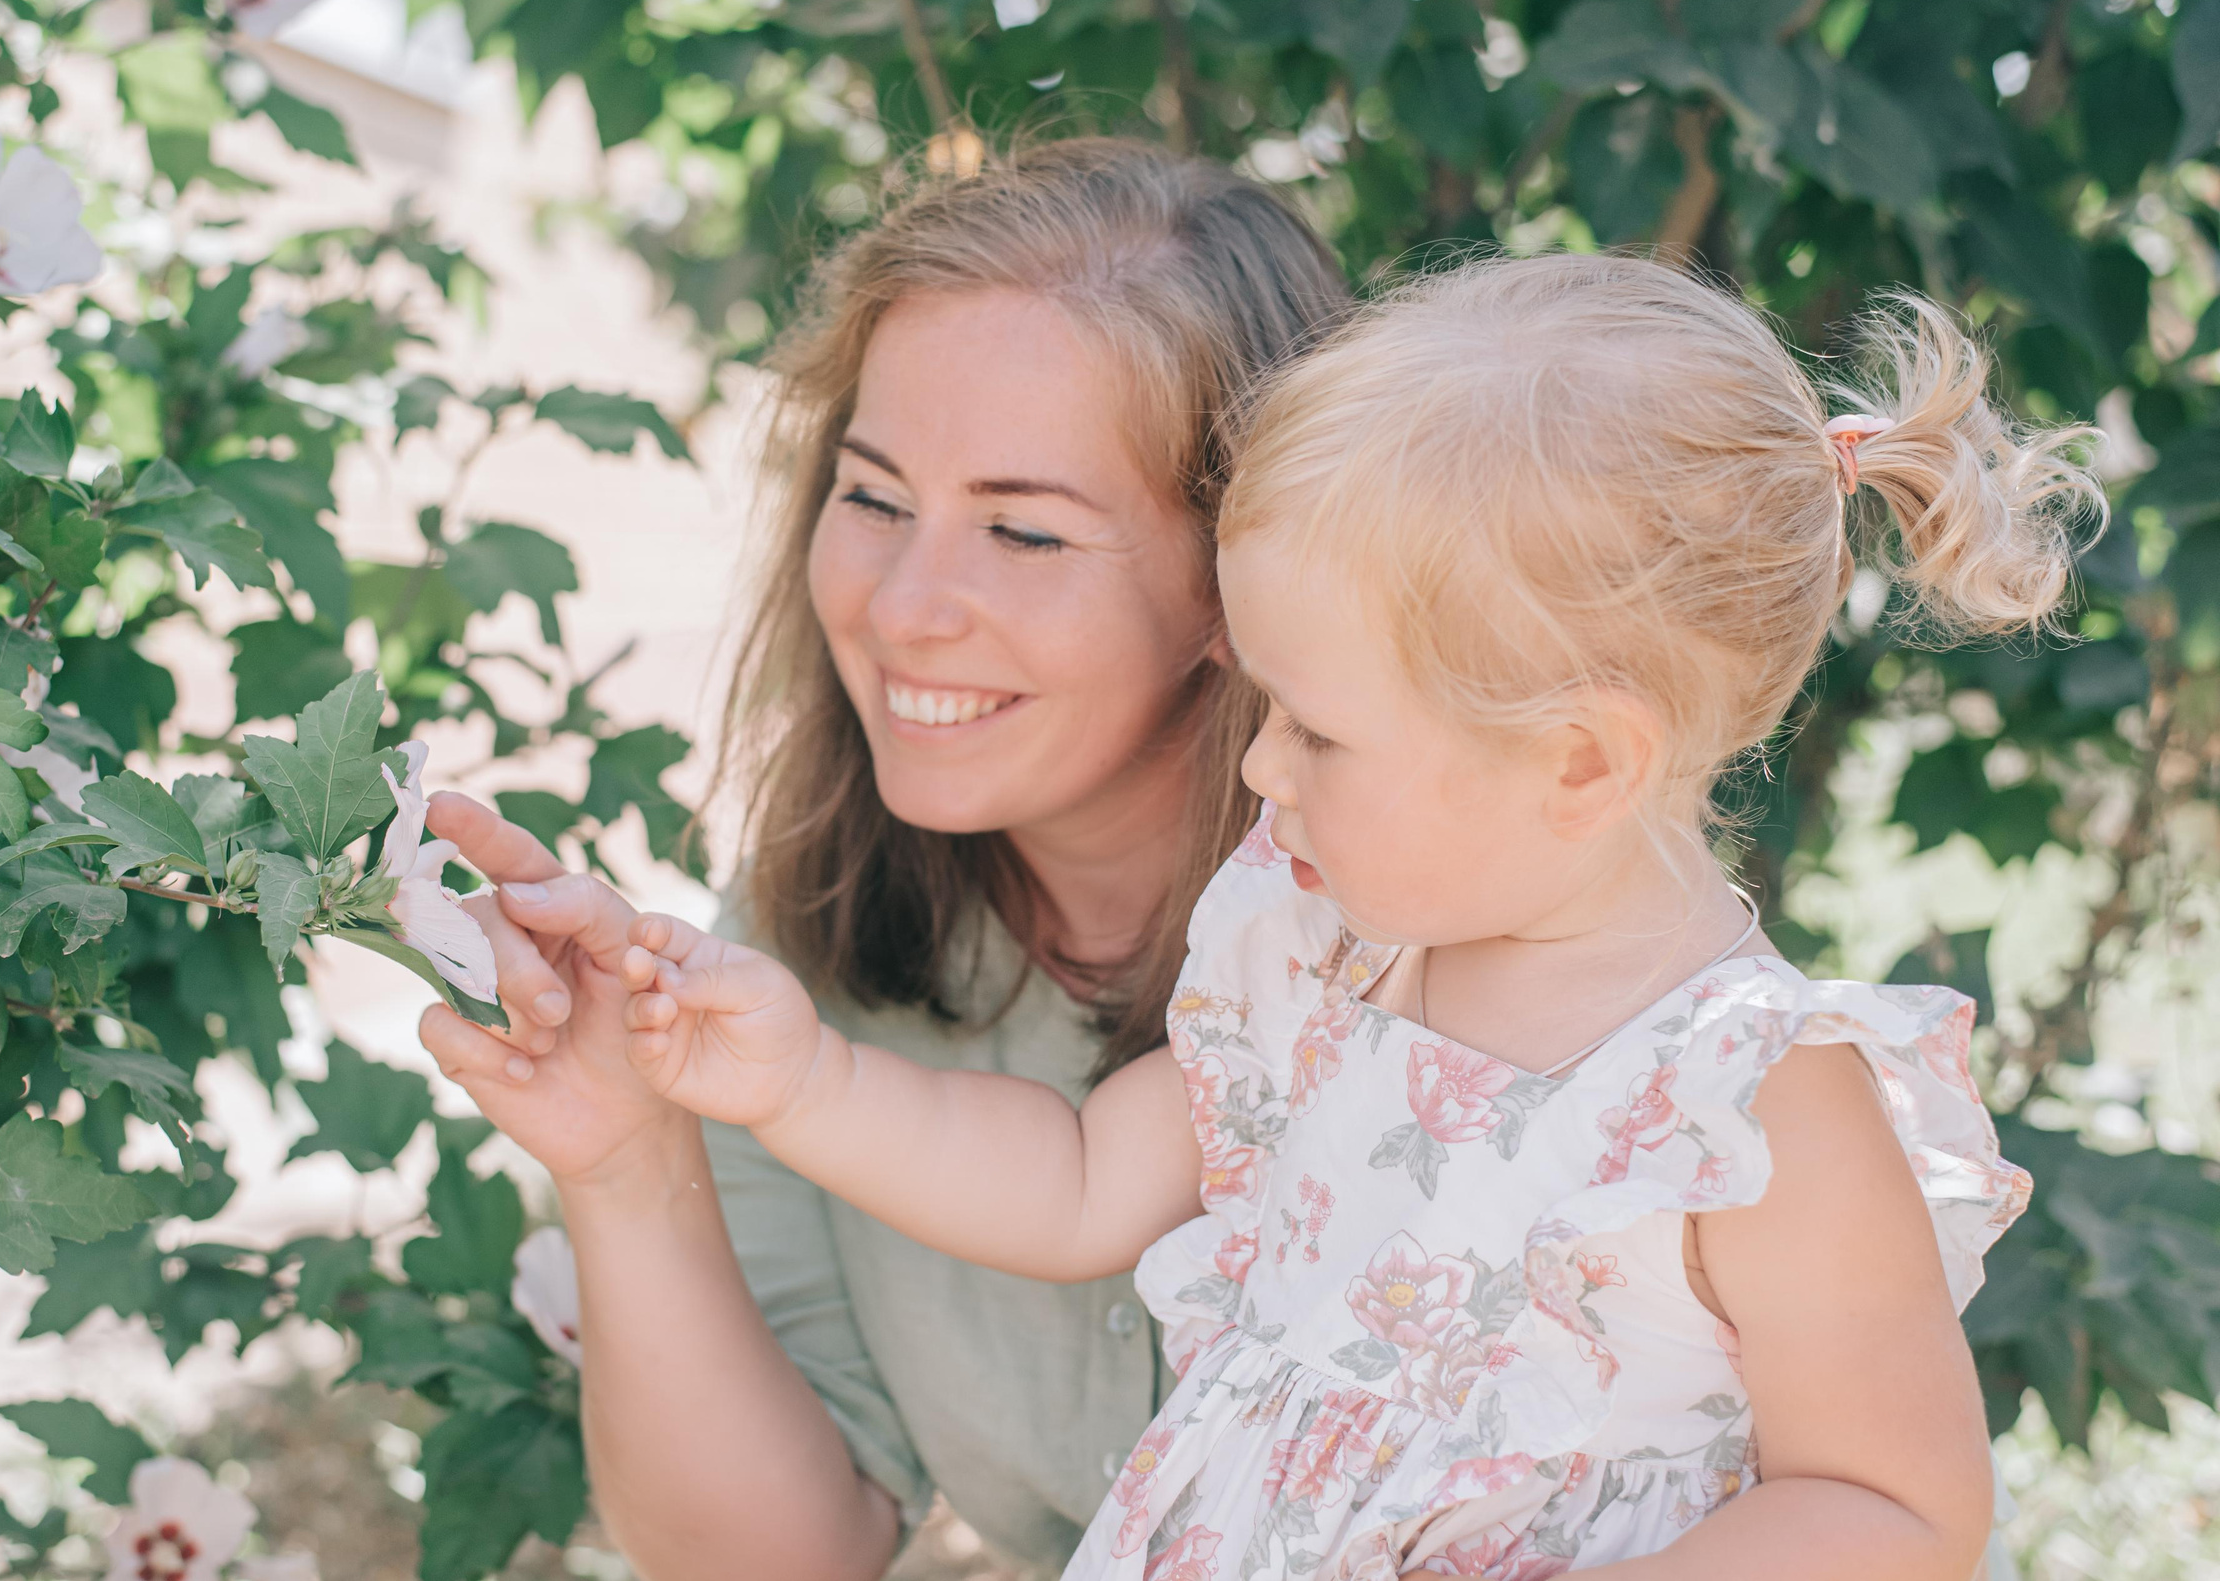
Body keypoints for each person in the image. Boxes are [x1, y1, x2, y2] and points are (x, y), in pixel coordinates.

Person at [502, 254, 2098, 1579]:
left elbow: (1896, 1504)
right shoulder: (1322, 956)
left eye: (1320, 731)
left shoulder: (1755, 1103)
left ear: (1581, 758)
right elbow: (1073, 1184)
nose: (1261, 765)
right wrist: (798, 1078)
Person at [417, 137, 1355, 1577]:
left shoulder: (1425, 936)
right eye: (872, 497)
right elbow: (773, 1558)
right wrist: (623, 1159)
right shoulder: (804, 948)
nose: (908, 607)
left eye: (1025, 531)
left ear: (1249, 572)